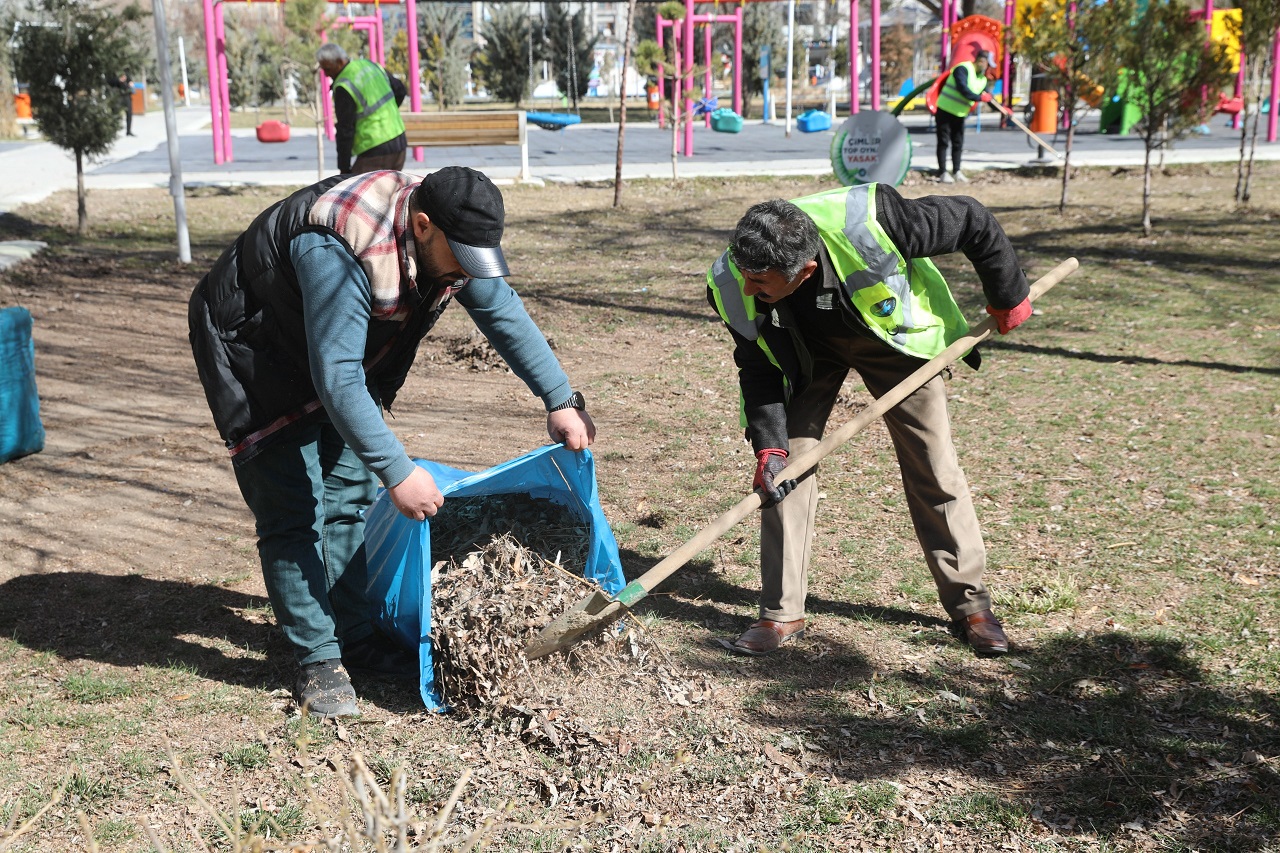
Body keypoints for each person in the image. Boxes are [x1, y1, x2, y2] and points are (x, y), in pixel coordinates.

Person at [189, 167, 595, 717]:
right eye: (462, 257)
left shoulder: (446, 236)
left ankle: (355, 637)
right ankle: (318, 662)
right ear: (423, 226)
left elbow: (500, 308)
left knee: (347, 496)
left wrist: (560, 399)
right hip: (252, 348)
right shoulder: (337, 245)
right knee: (291, 511)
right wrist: (398, 472)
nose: (467, 272)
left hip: (333, 349)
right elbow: (336, 378)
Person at [706, 182, 1032, 658]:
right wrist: (769, 447)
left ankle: (971, 606)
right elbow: (757, 367)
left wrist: (1007, 293)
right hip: (805, 354)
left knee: (933, 464)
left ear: (805, 271)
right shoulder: (732, 278)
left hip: (891, 342)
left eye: (761, 282)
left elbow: (972, 218)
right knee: (783, 474)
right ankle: (781, 614)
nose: (748, 286)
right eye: (745, 274)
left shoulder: (876, 221)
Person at [316, 43, 408, 175]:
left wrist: (343, 167)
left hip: (375, 150)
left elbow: (345, 130)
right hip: (399, 142)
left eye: (328, 69)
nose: (325, 74)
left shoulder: (344, 85)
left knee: (355, 193)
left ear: (340, 62)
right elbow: (400, 90)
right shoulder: (370, 65)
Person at [934, 50, 995, 183]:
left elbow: (990, 99)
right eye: (987, 64)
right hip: (945, 110)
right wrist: (980, 97)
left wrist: (1004, 110)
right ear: (980, 61)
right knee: (943, 142)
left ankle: (957, 171)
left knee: (958, 143)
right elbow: (964, 90)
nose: (987, 68)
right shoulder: (962, 69)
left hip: (960, 114)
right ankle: (943, 172)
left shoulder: (982, 80)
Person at [112, 72, 135, 136]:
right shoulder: (115, 71)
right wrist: (119, 80)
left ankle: (128, 131)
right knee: (116, 113)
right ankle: (114, 131)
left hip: (127, 96)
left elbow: (130, 80)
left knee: (129, 114)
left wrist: (130, 82)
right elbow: (111, 82)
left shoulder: (126, 71)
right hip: (118, 96)